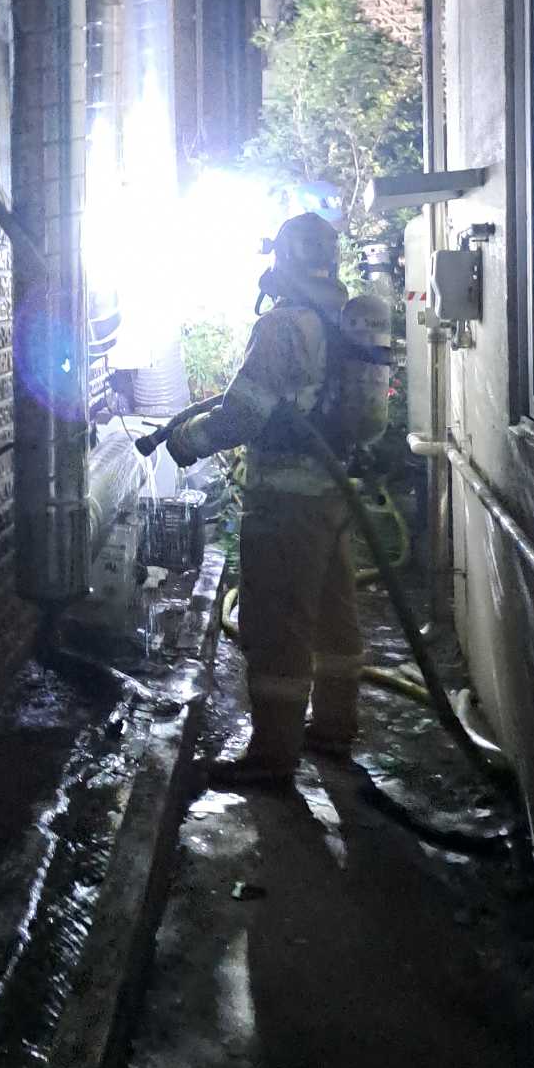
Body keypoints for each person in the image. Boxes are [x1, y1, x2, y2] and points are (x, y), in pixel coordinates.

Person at [168, 212, 362, 787]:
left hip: (285, 503)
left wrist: (186, 440)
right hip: (333, 496)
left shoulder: (282, 326)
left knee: (278, 623)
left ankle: (272, 758)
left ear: (284, 258)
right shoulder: (341, 319)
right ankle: (334, 728)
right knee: (333, 616)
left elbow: (243, 413)